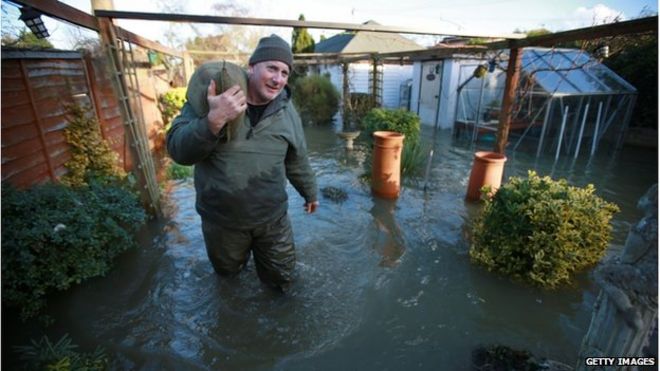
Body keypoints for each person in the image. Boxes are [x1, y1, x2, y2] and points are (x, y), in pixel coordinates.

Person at [166, 34, 318, 292]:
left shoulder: (287, 110)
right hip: (222, 222)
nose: (278, 79)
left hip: (272, 220)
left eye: (284, 72)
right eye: (271, 68)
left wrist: (309, 192)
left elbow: (297, 158)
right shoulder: (214, 98)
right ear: (251, 67)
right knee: (229, 281)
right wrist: (213, 121)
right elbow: (177, 150)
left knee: (282, 282)